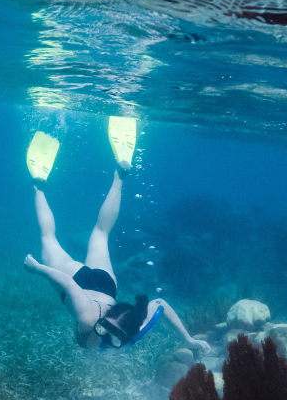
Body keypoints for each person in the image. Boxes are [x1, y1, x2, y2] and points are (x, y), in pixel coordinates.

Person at [22, 119, 211, 353]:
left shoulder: (135, 327)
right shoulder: (87, 318)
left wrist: (188, 339)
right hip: (81, 284)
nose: (108, 338)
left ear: (130, 335)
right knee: (48, 239)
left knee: (101, 233)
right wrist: (37, 268)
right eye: (104, 330)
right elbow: (68, 283)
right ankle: (38, 185)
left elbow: (160, 304)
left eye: (116, 339)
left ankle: (119, 175)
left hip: (106, 285)